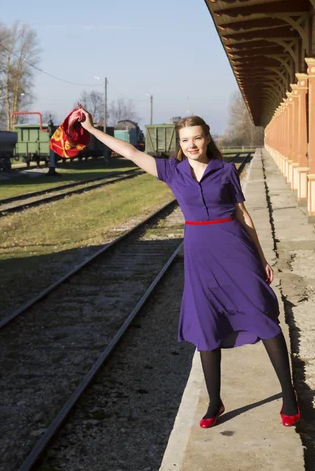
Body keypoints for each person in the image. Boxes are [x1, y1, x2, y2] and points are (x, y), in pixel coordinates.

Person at [77, 106, 300, 429]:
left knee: (262, 316)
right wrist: (92, 130)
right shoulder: (171, 171)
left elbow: (243, 216)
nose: (191, 145)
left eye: (197, 138)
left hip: (236, 250)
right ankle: (214, 402)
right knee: (206, 324)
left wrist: (262, 258)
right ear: (179, 143)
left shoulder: (225, 170)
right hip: (200, 257)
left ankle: (289, 397)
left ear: (207, 138)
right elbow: (127, 150)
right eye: (185, 140)